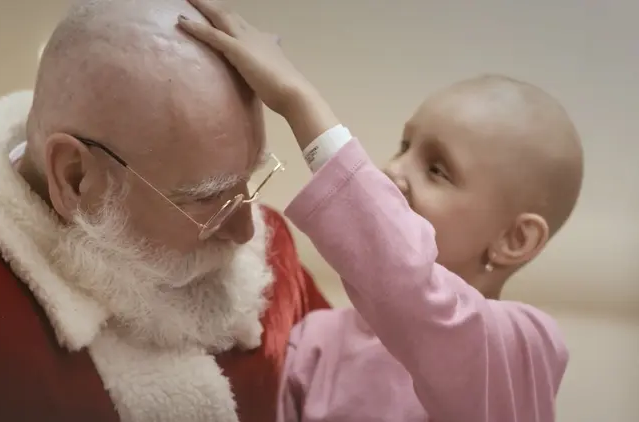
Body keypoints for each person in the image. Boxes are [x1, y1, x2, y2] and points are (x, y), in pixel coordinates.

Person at [0, 1, 331, 421]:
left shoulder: (276, 263)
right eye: (206, 198)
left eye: (248, 180)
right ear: (76, 178)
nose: (247, 231)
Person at [177, 1, 584, 421]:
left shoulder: (521, 346)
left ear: (513, 240)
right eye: (404, 146)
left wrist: (296, 100)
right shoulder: (317, 341)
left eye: (438, 170)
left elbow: (410, 286)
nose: (392, 170)